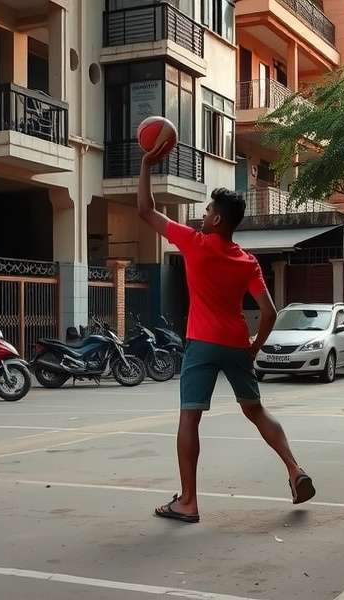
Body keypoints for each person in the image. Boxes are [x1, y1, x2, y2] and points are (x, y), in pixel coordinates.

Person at [137, 143, 315, 524]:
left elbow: (145, 210)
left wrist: (146, 164)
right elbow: (269, 312)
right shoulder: (247, 261)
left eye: (207, 211)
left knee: (190, 418)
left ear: (217, 220)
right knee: (256, 411)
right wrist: (253, 348)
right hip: (236, 343)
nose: (202, 215)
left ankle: (188, 501)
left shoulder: (194, 242)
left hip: (201, 343)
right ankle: (294, 469)